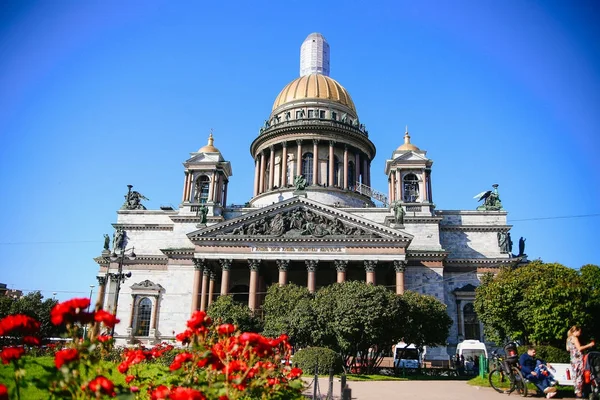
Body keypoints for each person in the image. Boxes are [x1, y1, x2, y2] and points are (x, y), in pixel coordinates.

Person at [567, 326, 596, 398]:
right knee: (579, 376)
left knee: (575, 376)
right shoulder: (575, 338)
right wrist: (589, 345)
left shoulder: (568, 339)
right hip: (578, 360)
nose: (580, 333)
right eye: (579, 331)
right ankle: (579, 395)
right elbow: (579, 348)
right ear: (575, 331)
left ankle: (577, 393)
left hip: (573, 359)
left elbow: (567, 349)